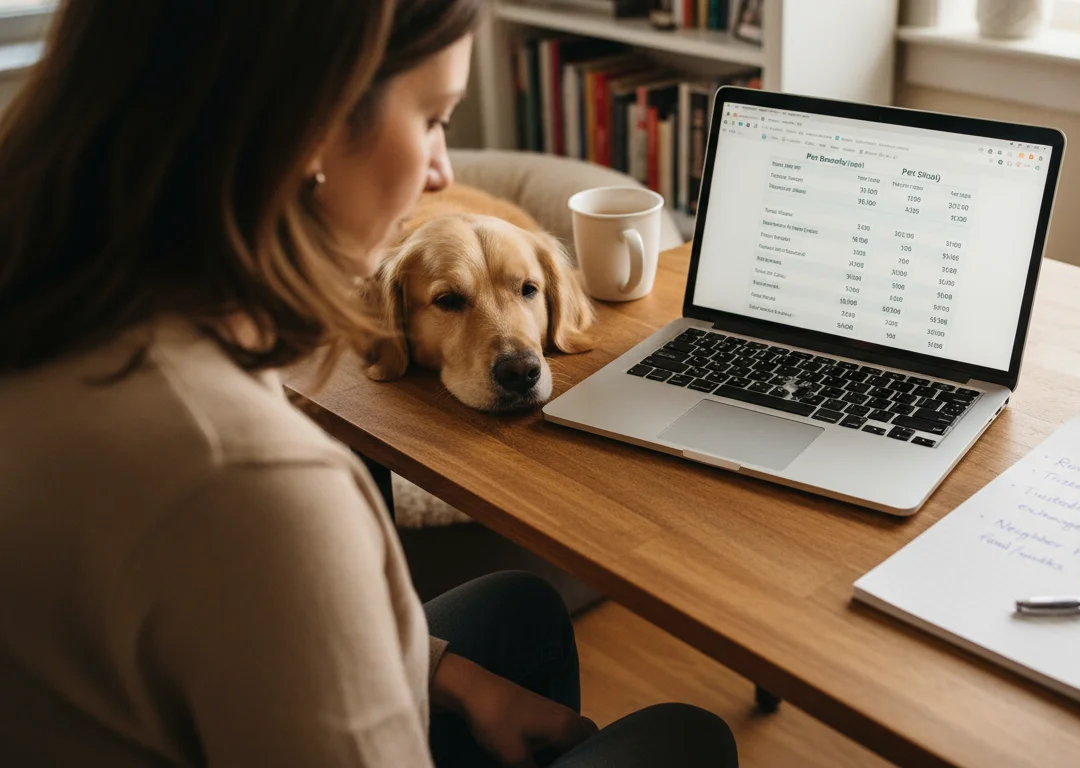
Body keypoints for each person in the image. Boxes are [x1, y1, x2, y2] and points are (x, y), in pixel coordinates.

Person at [0, 2, 738, 767]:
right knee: (684, 737)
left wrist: (456, 679)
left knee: (517, 610)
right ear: (311, 127)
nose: (443, 173)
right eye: (433, 119)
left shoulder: (62, 301)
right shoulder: (253, 481)